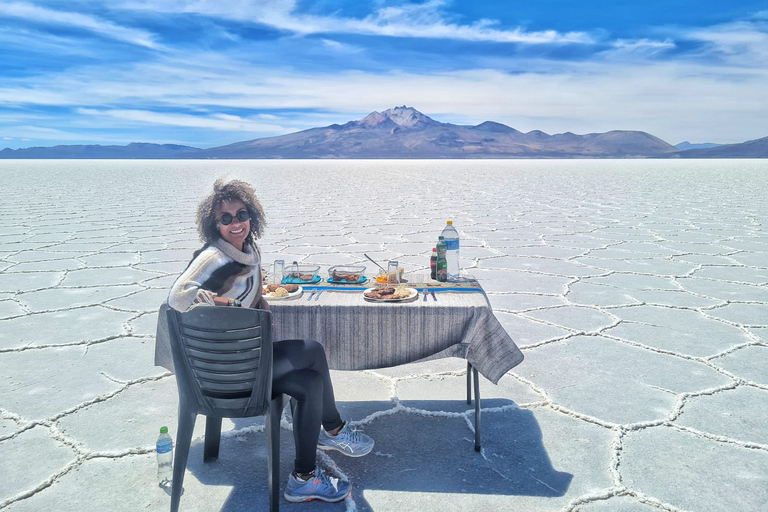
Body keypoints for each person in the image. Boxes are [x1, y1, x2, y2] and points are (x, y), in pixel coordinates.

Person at [168, 179, 374, 503]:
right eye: (226, 218)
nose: (236, 223)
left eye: (242, 214)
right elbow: (178, 298)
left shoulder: (247, 250)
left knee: (309, 383)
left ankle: (303, 477)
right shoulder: (215, 258)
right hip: (230, 371)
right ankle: (333, 431)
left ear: (252, 216)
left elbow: (252, 287)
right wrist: (234, 308)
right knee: (313, 351)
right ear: (214, 222)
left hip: (244, 360)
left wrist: (260, 304)